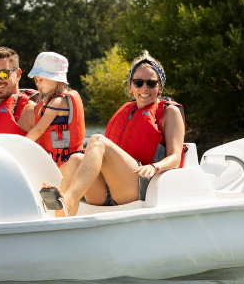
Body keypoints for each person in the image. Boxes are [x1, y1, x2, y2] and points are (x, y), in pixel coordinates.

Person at [44, 51, 185, 216]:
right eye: (138, 83)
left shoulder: (169, 112)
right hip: (110, 189)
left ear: (160, 87)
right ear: (131, 87)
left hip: (142, 185)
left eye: (151, 83)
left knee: (97, 140)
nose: (145, 88)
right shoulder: (128, 110)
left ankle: (68, 200)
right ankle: (61, 218)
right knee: (75, 159)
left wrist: (154, 167)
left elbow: (175, 158)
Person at [19, 52, 85, 166]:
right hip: (65, 158)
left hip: (65, 160)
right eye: (36, 80)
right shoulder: (59, 99)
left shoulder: (57, 102)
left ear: (56, 80)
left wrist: (20, 147)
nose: (38, 84)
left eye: (41, 79)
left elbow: (39, 129)